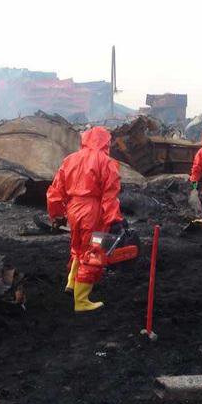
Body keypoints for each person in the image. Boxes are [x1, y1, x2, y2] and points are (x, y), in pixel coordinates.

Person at [47, 126, 124, 312]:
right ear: (105, 142)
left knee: (78, 247)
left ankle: (72, 283)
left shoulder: (70, 159)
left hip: (73, 210)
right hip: (93, 212)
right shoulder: (106, 162)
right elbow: (110, 194)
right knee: (93, 251)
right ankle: (81, 300)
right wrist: (113, 217)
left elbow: (55, 190)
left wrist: (56, 214)